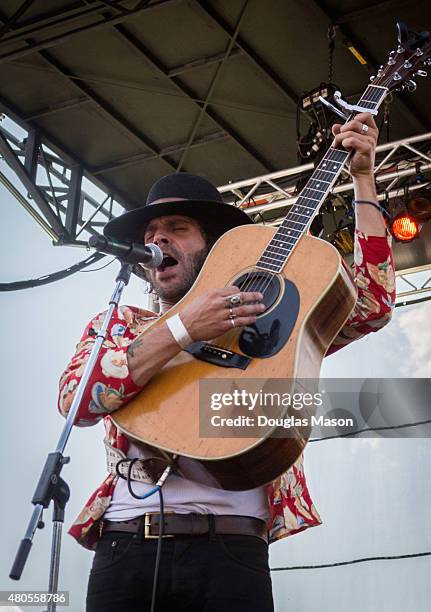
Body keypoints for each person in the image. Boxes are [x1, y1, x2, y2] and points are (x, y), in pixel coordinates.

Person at [58, 113, 396, 611]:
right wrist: (182, 329)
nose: (160, 240)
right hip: (125, 544)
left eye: (177, 228)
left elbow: (372, 303)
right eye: (152, 232)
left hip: (232, 551)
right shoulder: (124, 324)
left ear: (215, 245)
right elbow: (76, 401)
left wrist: (364, 179)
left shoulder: (274, 315)